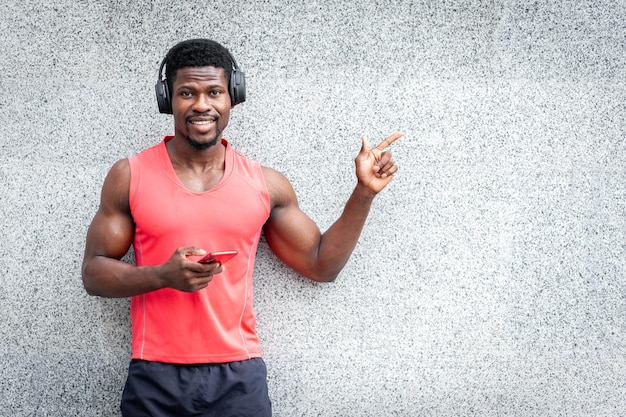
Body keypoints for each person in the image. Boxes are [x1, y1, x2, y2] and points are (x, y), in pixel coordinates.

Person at [82, 38, 402, 417]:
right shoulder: (129, 175)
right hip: (155, 373)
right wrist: (162, 275)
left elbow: (321, 264)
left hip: (238, 375)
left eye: (214, 91)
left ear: (233, 96)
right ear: (167, 98)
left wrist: (364, 192)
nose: (202, 104)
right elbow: (93, 274)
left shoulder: (265, 184)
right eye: (187, 92)